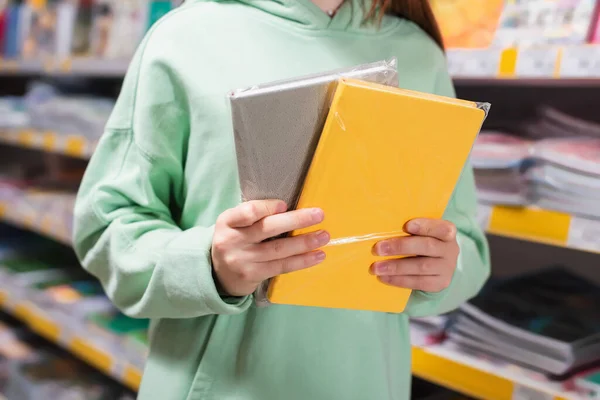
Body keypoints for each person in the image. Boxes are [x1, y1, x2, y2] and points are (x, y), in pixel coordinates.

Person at [73, 0, 490, 399]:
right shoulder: (183, 38)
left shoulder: (421, 54)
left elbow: (466, 240)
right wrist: (208, 265)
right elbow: (107, 228)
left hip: (364, 382)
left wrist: (441, 267)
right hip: (220, 385)